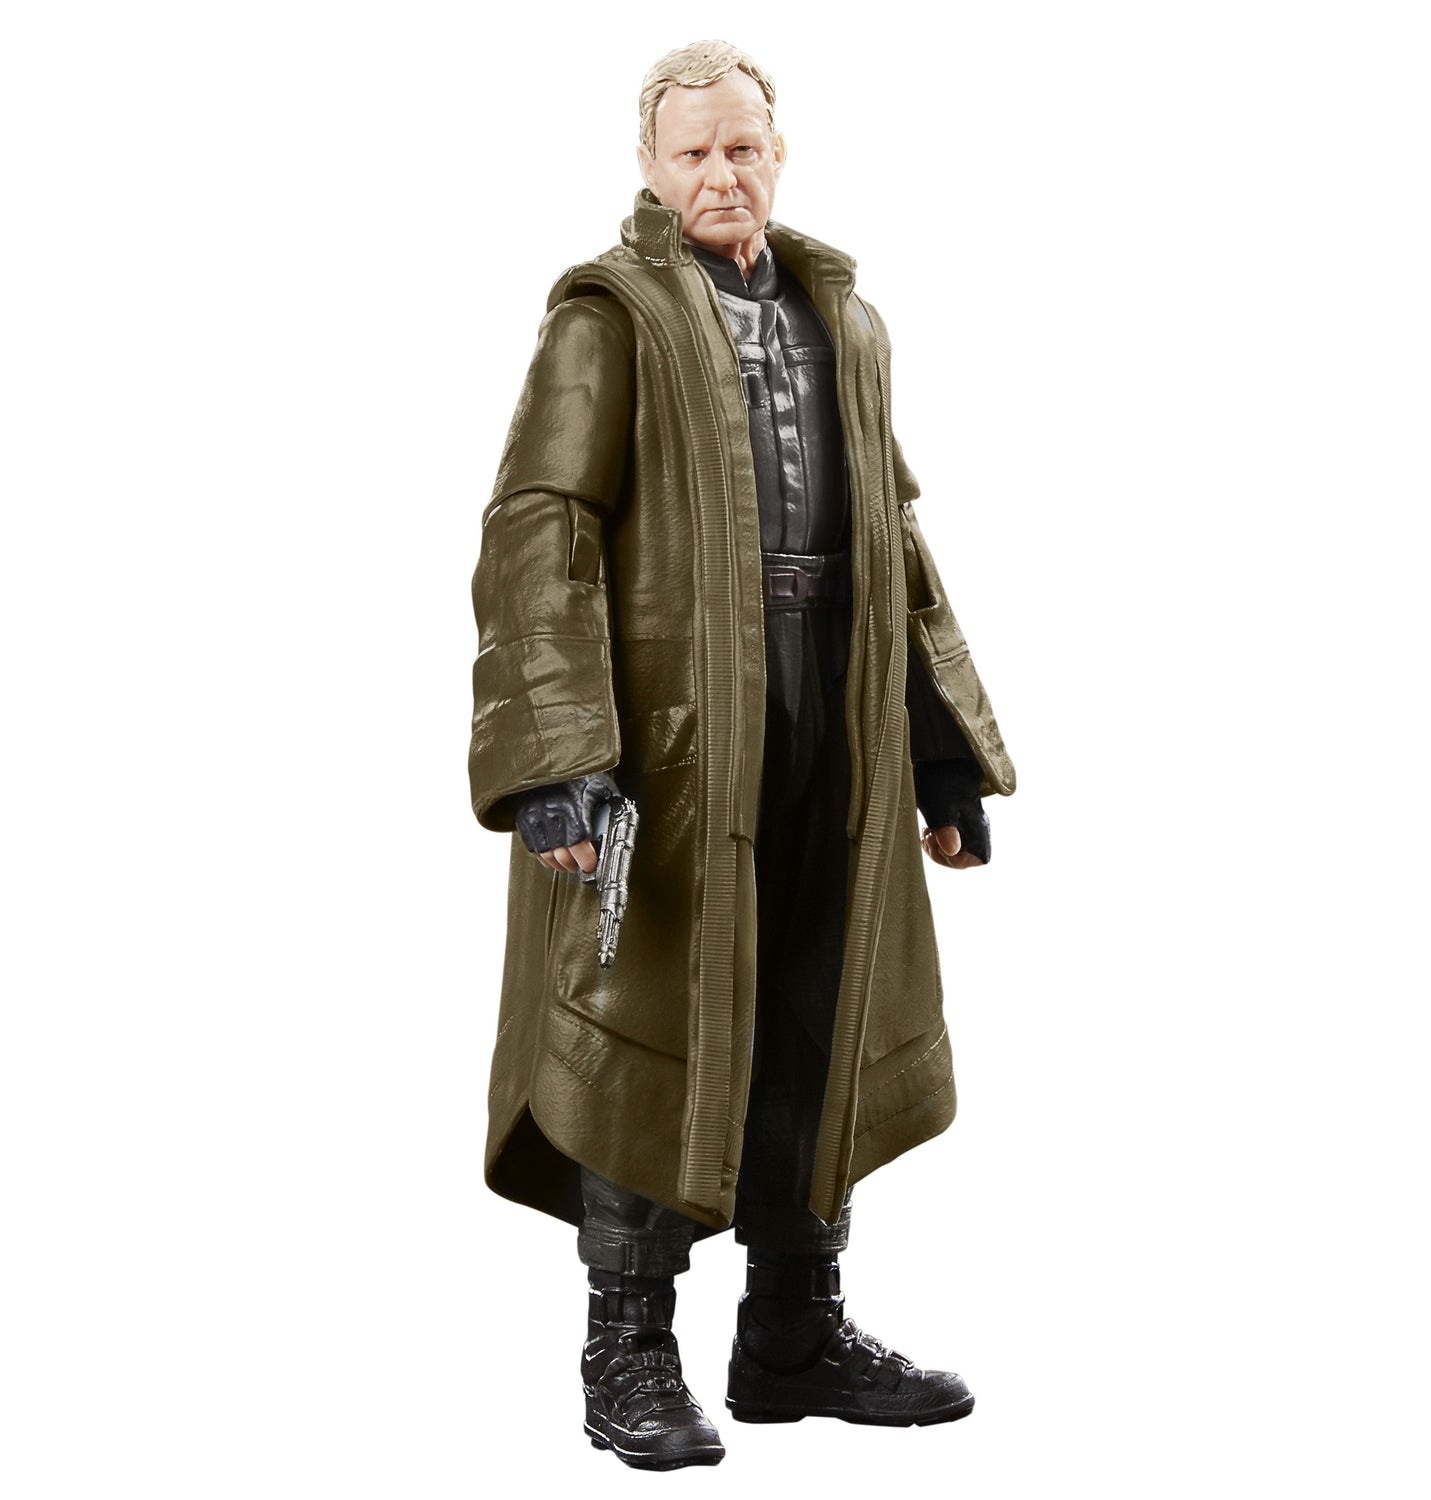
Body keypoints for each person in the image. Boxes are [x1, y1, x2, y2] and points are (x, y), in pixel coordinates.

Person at [467, 40, 1016, 1470]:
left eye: (743, 148)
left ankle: (791, 1334)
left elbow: (893, 543)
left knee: (821, 998)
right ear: (650, 166)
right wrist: (562, 755)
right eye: (694, 152)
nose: (722, 174)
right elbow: (539, 533)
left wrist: (940, 750)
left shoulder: (845, 320)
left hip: (830, 713)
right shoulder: (610, 318)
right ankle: (628, 1350)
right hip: (670, 740)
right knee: (653, 1018)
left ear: (779, 154)